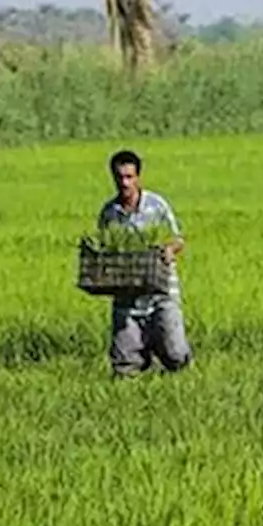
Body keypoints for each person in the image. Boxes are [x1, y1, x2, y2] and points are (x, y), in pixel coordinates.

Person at [97, 149, 193, 378]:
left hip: (161, 292)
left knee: (176, 355)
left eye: (129, 177)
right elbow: (105, 248)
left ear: (138, 177)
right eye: (119, 177)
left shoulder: (156, 205)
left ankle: (166, 362)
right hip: (126, 297)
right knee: (124, 364)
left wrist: (169, 249)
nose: (124, 182)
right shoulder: (109, 213)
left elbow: (178, 239)